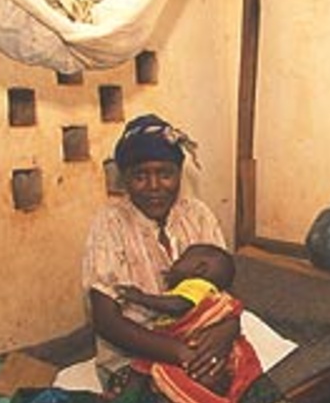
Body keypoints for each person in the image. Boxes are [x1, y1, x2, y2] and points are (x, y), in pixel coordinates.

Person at [82, 113, 239, 398]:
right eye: (140, 176)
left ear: (179, 173)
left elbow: (222, 289)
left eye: (165, 174)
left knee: (238, 380)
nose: (154, 186)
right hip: (134, 356)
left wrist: (226, 331)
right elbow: (106, 321)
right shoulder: (110, 224)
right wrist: (179, 353)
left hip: (197, 340)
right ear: (125, 179)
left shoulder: (197, 214)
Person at [115, 244, 263, 401]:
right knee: (142, 364)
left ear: (200, 269)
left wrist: (141, 297)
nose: (173, 264)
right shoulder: (200, 289)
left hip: (194, 347)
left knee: (148, 368)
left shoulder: (197, 285)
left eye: (180, 260)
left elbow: (177, 305)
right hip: (180, 346)